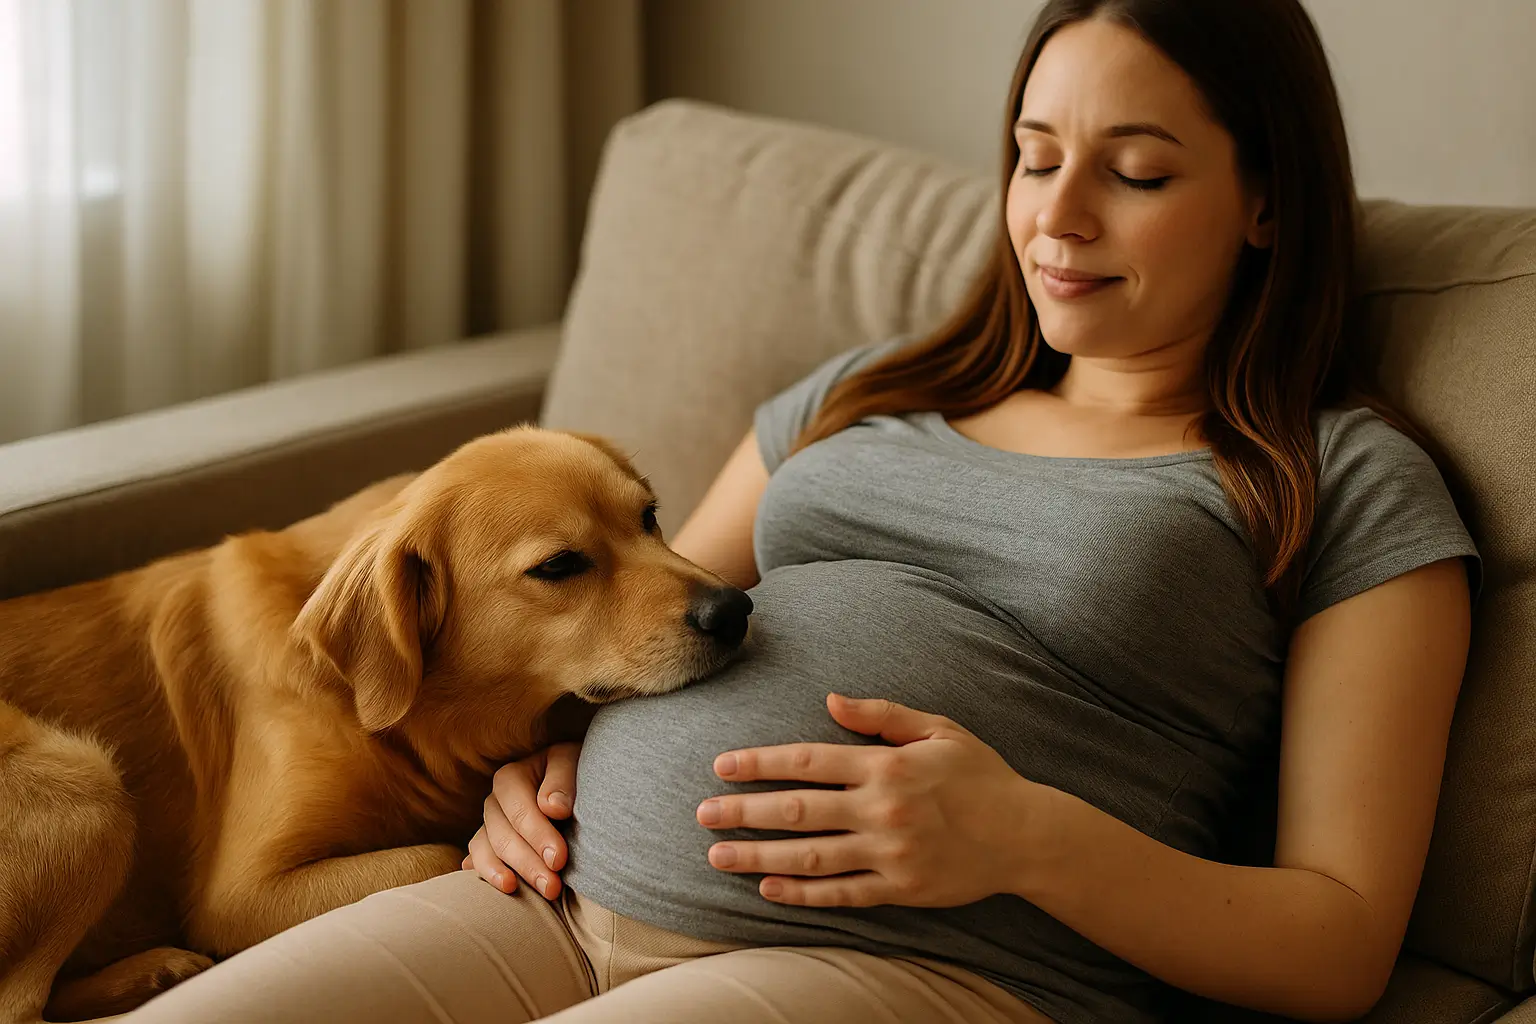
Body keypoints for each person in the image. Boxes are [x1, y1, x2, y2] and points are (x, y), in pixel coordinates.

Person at [125, 1, 1478, 1022]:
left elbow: (1342, 941)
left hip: (912, 963)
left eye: (1135, 173)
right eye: (1031, 156)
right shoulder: (868, 392)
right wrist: (540, 767)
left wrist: (1025, 835)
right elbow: (646, 617)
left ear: (1263, 202)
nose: (1054, 218)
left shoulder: (1340, 479)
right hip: (559, 899)